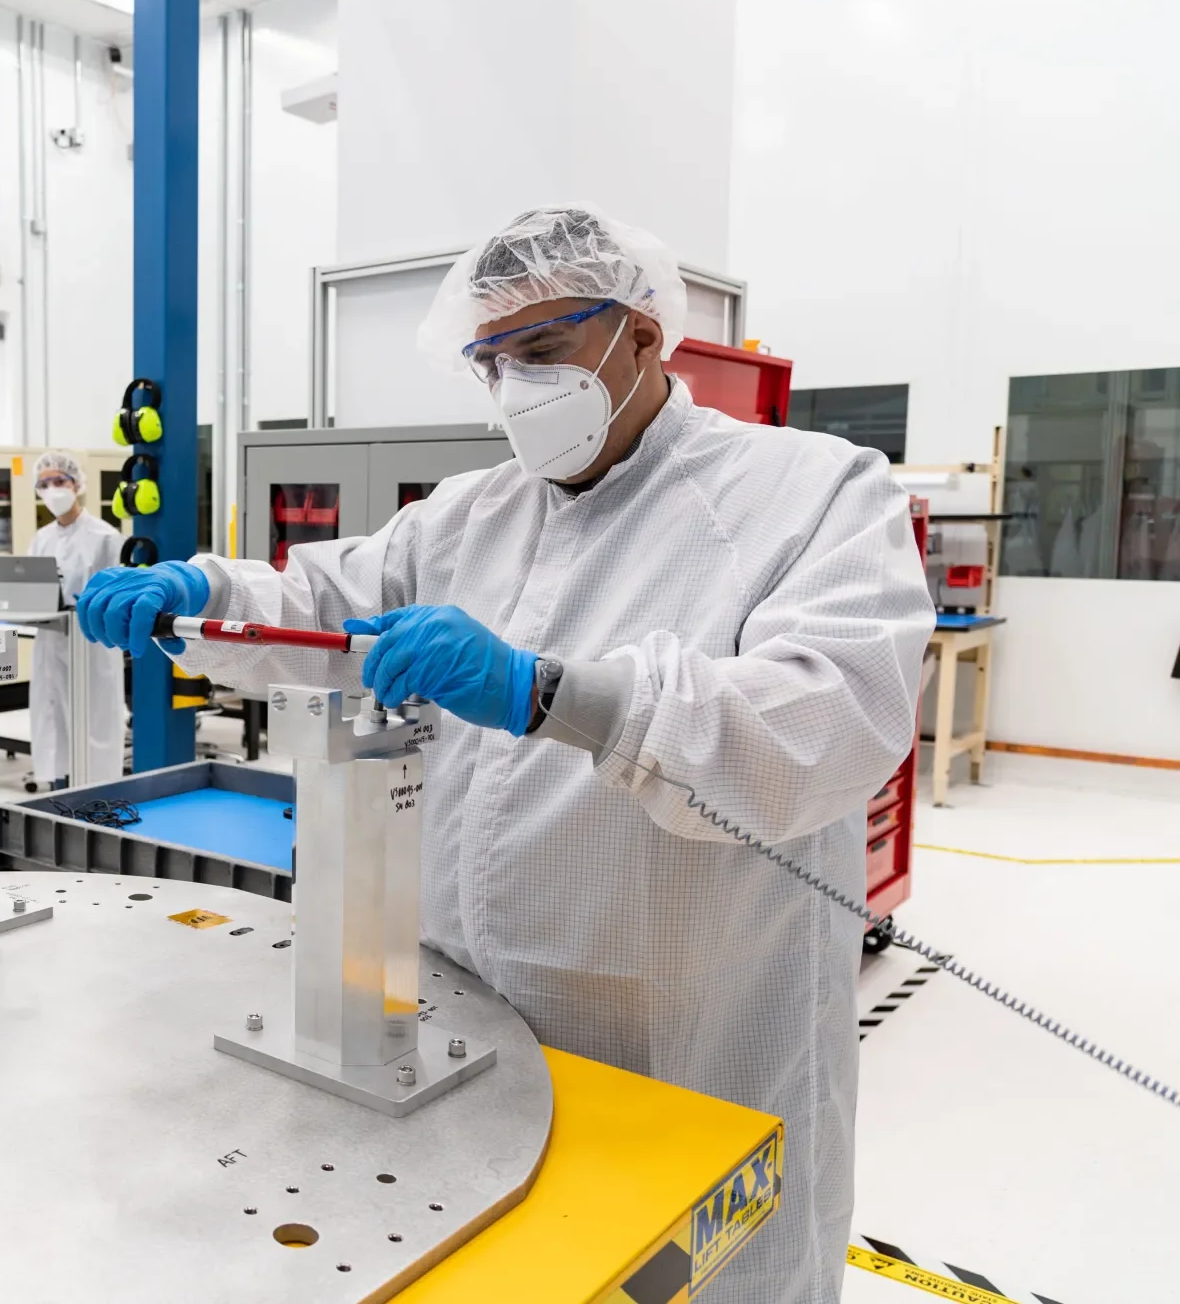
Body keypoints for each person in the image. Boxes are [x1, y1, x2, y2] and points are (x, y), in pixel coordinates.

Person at [77, 204, 933, 1304]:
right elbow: (322, 606)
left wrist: (550, 692)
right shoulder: (465, 517)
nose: (514, 386)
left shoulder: (807, 490)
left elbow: (825, 721)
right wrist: (204, 593)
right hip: (467, 1020)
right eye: (489, 363)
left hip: (682, 1026)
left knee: (687, 1280)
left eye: (540, 350)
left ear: (638, 334)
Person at [27, 453, 126, 789]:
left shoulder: (105, 536)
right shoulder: (41, 538)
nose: (53, 489)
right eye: (44, 484)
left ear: (77, 484)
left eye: (60, 481)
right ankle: (57, 786)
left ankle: (98, 793)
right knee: (52, 714)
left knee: (93, 719)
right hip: (51, 641)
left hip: (91, 643)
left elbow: (117, 596)